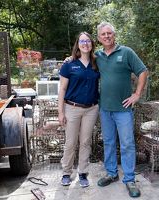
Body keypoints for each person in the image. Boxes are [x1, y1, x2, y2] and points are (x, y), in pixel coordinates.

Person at [95, 22, 148, 198]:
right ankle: (111, 173)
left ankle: (130, 179)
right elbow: (82, 61)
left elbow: (143, 71)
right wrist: (69, 59)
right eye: (103, 34)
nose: (107, 36)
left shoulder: (126, 52)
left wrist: (137, 94)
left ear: (114, 35)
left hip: (123, 109)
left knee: (127, 144)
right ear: (99, 38)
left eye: (109, 33)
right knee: (109, 142)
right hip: (105, 109)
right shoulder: (98, 56)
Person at [58, 32, 100, 188]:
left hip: (91, 109)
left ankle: (83, 173)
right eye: (82, 41)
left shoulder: (97, 63)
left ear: (91, 44)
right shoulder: (69, 64)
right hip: (72, 108)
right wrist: (61, 112)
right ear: (78, 44)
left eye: (88, 41)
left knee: (85, 142)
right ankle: (66, 173)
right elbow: (62, 89)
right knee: (70, 142)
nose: (85, 44)